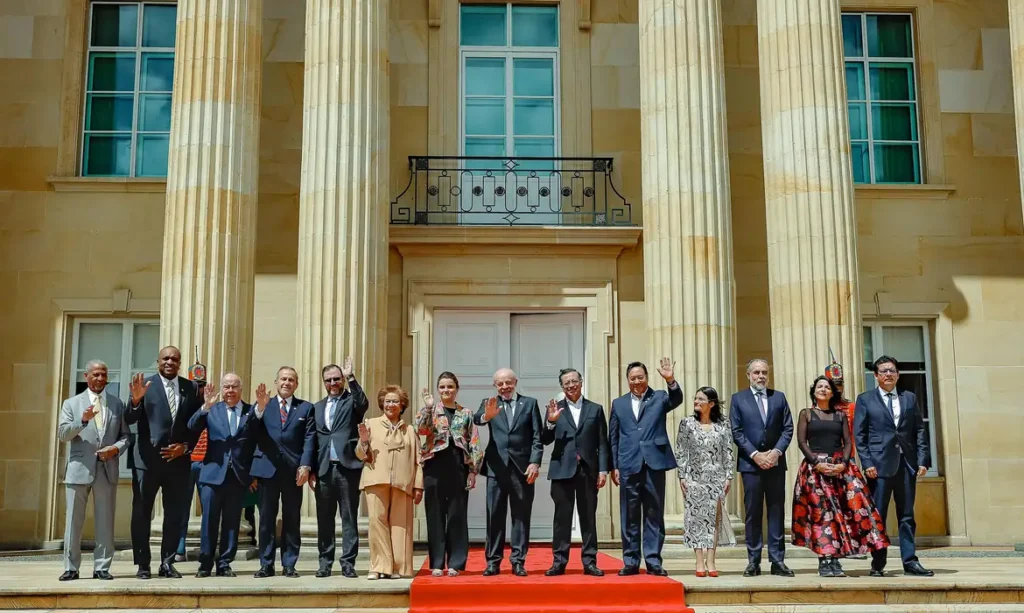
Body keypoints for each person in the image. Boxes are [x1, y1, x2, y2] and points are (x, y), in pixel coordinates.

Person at [792, 376, 889, 577]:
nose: (823, 389)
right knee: (821, 515)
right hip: (815, 470)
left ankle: (836, 559)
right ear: (814, 392)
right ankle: (824, 560)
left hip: (840, 469)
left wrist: (843, 464)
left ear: (832, 393)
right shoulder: (806, 414)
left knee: (848, 512)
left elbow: (848, 442)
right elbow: (801, 442)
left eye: (827, 387)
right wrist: (817, 463)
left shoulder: (840, 415)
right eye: (820, 387)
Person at [125, 346, 204, 579]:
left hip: (177, 462)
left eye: (175, 359)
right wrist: (135, 400)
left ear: (179, 363)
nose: (170, 362)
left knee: (174, 514)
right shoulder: (144, 385)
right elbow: (129, 418)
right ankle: (143, 565)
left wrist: (186, 447)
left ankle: (167, 563)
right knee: (141, 513)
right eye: (166, 358)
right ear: (158, 361)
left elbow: (196, 425)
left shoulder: (190, 388)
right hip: (147, 462)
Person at [855, 356, 934, 577]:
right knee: (878, 516)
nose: (888, 374)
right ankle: (878, 562)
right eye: (883, 371)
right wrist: (867, 463)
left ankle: (910, 561)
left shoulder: (909, 398)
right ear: (876, 376)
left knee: (907, 515)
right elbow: (860, 435)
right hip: (878, 467)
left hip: (906, 465)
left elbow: (919, 429)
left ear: (898, 375)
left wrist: (923, 459)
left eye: (892, 370)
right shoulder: (865, 399)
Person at [608, 357, 682, 577]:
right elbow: (613, 437)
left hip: (654, 464)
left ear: (647, 378)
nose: (636, 381)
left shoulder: (659, 397)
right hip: (628, 464)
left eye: (640, 377)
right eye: (632, 378)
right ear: (627, 380)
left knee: (654, 513)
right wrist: (614, 466)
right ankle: (631, 561)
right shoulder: (619, 403)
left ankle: (653, 560)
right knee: (629, 515)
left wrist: (670, 380)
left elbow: (676, 399)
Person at [57, 360, 129, 581]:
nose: (100, 378)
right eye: (96, 374)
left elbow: (126, 436)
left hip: (107, 469)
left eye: (103, 374)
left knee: (105, 520)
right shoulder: (71, 403)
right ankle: (71, 567)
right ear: (86, 376)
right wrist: (82, 420)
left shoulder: (117, 404)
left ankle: (102, 567)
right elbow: (63, 434)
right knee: (73, 521)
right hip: (79, 469)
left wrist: (115, 449)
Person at [187, 374, 263, 577]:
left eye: (234, 386)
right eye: (227, 387)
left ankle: (224, 563)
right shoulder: (213, 409)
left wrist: (253, 474)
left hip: (238, 476)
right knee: (209, 521)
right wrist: (205, 407)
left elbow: (257, 441)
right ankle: (205, 564)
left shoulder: (250, 411)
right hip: (212, 474)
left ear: (241, 388)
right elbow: (192, 426)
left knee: (232, 522)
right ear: (222, 389)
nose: (230, 390)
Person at [540, 368, 610, 577]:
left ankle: (590, 562)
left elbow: (602, 442)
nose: (571, 385)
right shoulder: (555, 409)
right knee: (562, 519)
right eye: (566, 383)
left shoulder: (595, 409)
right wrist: (551, 421)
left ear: (581, 382)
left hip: (588, 471)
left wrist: (603, 470)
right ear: (562, 387)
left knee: (588, 517)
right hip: (562, 470)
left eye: (574, 381)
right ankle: (559, 562)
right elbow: (545, 439)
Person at [474, 368, 543, 577]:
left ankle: (518, 561)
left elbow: (537, 437)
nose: (505, 387)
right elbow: (477, 419)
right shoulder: (489, 403)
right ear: (495, 385)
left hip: (522, 470)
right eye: (500, 384)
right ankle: (493, 562)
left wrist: (535, 462)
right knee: (494, 515)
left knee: (521, 516)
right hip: (496, 468)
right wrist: (487, 415)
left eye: (508, 382)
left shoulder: (530, 403)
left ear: (515, 382)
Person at [729, 358, 794, 577]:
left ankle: (777, 560)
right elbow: (736, 431)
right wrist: (755, 455)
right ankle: (753, 561)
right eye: (756, 372)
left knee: (776, 511)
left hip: (775, 464)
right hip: (751, 465)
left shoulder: (779, 397)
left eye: (764, 372)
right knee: (753, 513)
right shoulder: (738, 399)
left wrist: (776, 452)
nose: (761, 376)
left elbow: (788, 428)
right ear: (748, 375)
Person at [250, 366, 315, 578]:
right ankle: (266, 564)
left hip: (293, 472)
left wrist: (305, 465)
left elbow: (309, 439)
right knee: (266, 519)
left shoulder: (305, 408)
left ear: (296, 384)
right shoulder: (263, 404)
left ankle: (289, 564)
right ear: (276, 382)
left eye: (291, 380)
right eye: (283, 379)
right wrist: (259, 409)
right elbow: (250, 432)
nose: (287, 383)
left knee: (292, 519)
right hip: (266, 470)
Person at [416, 372, 482, 577]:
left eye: (450, 386)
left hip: (457, 465)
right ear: (438, 390)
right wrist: (428, 408)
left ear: (457, 389)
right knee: (435, 514)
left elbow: (474, 442)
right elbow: (422, 430)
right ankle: (437, 562)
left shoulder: (466, 413)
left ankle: (456, 562)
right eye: (442, 387)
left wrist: (473, 471)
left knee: (457, 514)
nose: (446, 390)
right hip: (434, 465)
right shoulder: (429, 410)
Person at [356, 385, 424, 579]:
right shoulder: (370, 423)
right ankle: (379, 567)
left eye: (395, 401)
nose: (391, 405)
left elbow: (418, 461)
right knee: (377, 523)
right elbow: (360, 455)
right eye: (387, 401)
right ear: (382, 404)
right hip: (376, 480)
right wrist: (363, 442)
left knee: (401, 525)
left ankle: (398, 568)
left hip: (403, 483)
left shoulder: (409, 430)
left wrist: (418, 486)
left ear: (402, 405)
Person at [310, 357, 366, 578]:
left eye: (336, 379)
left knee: (349, 518)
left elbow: (363, 403)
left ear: (342, 379)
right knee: (324, 519)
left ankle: (348, 563)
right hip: (324, 469)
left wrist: (351, 377)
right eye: (328, 380)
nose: (332, 383)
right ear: (323, 382)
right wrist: (311, 469)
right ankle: (325, 563)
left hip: (347, 468)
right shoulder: (317, 407)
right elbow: (313, 440)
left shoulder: (351, 401)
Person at [674, 386, 735, 578]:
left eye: (701, 399)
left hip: (716, 478)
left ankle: (711, 560)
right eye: (695, 398)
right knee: (695, 519)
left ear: (711, 403)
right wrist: (682, 476)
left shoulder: (723, 424)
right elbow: (681, 451)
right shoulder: (687, 423)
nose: (696, 402)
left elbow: (728, 451)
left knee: (713, 520)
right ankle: (699, 560)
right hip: (694, 478)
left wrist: (729, 476)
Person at [175, 429, 206, 562]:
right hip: (184, 460)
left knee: (208, 508)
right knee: (182, 507)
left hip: (206, 461)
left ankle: (206, 549)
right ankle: (179, 547)